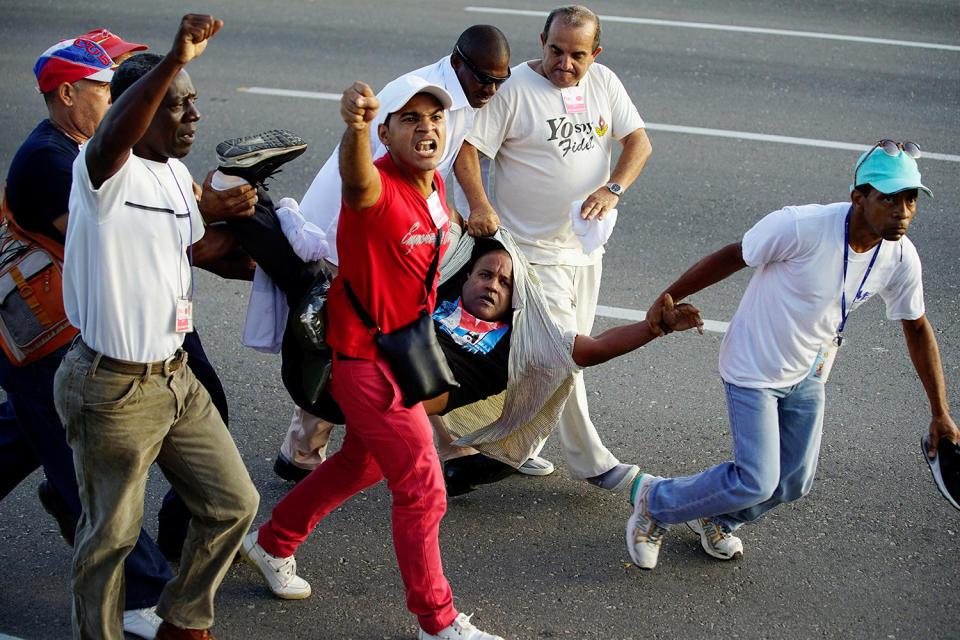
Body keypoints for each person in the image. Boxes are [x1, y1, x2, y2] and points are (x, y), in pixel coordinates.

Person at [0, 28, 248, 640]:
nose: (192, 114)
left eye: (192, 101)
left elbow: (203, 248)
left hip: (173, 374)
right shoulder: (97, 169)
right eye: (175, 102)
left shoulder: (169, 173)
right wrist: (175, 58)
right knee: (108, 539)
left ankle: (183, 620)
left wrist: (273, 238)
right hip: (109, 381)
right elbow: (113, 141)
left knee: (233, 505)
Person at [239, 76, 503, 640]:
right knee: (423, 485)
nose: (426, 126)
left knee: (362, 463)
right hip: (364, 361)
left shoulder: (433, 188)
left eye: (435, 117)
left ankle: (270, 543)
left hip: (402, 350)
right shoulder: (377, 186)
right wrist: (354, 129)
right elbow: (356, 182)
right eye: (409, 118)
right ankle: (438, 623)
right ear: (386, 132)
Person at [627, 140, 960, 570]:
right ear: (859, 198)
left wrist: (940, 412)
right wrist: (669, 296)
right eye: (889, 199)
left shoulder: (899, 257)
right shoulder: (802, 226)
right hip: (754, 366)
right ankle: (656, 503)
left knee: (793, 482)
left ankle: (717, 515)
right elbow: (735, 255)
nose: (903, 211)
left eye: (911, 199)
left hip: (808, 372)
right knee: (757, 478)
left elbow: (916, 328)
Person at [271, 24, 519, 481]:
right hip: (352, 234)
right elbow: (363, 167)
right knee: (352, 345)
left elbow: (448, 157)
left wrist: (451, 214)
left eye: (500, 81)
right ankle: (303, 449)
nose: (491, 89)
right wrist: (356, 122)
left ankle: (435, 447)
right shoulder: (413, 94)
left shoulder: (460, 100)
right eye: (484, 77)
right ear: (458, 62)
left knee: (402, 343)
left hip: (398, 231)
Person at [455, 4, 653, 492]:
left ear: (596, 53)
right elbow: (467, 152)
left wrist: (614, 189)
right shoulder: (515, 89)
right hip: (532, 255)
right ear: (541, 40)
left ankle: (509, 447)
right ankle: (595, 463)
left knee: (553, 361)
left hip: (585, 250)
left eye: (577, 55)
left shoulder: (603, 82)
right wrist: (481, 209)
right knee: (569, 356)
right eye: (555, 51)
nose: (565, 64)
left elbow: (639, 143)